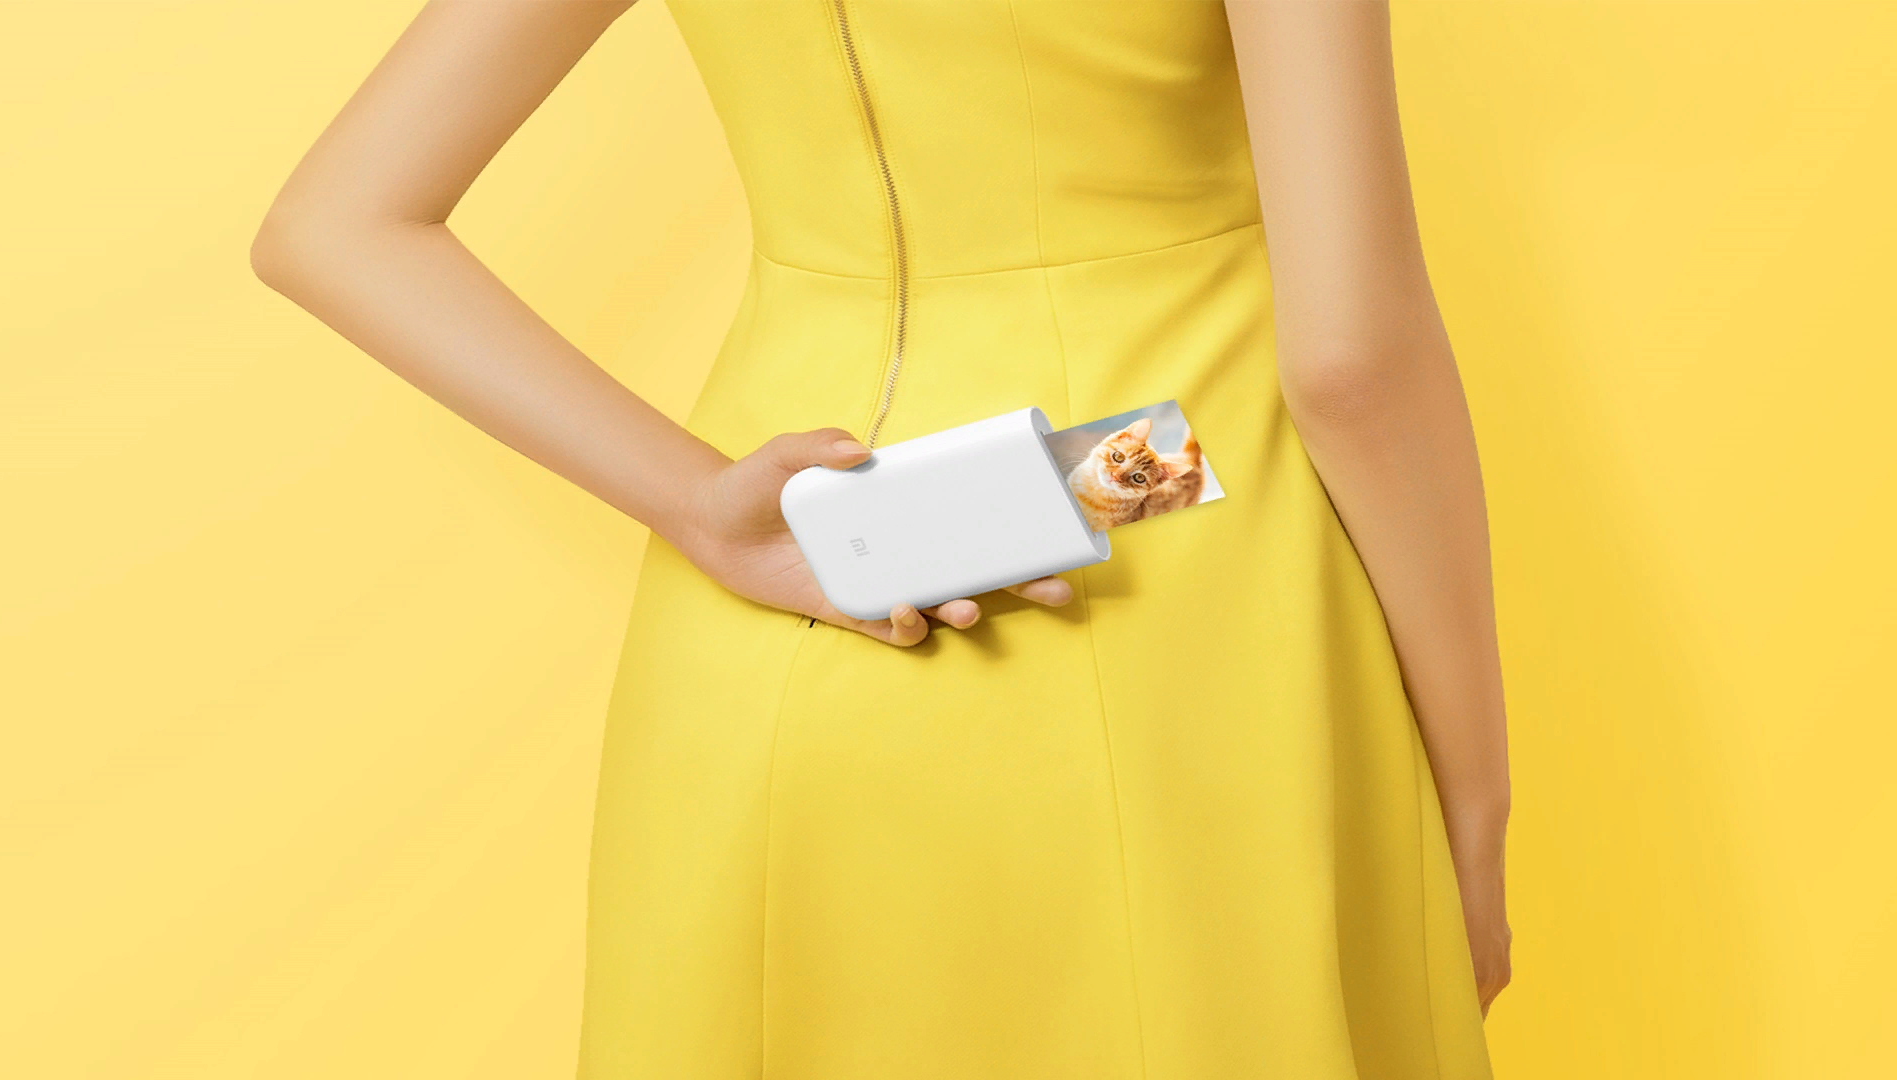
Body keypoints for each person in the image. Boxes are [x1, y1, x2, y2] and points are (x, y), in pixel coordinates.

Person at [250, 0, 1513, 1075]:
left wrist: (700, 508)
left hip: (783, 596)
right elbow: (1350, 363)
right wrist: (1474, 792)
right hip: (1159, 540)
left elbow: (335, 223)